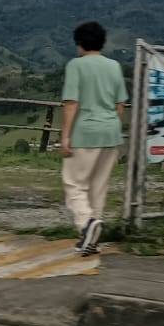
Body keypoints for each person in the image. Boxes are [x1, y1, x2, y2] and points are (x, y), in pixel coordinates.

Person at [60, 21, 128, 255]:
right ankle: (91, 239)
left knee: (74, 185)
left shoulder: (76, 66)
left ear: (79, 43)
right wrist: (112, 127)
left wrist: (65, 136)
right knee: (98, 187)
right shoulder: (114, 66)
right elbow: (120, 104)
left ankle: (86, 224)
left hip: (85, 132)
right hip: (110, 133)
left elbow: (71, 103)